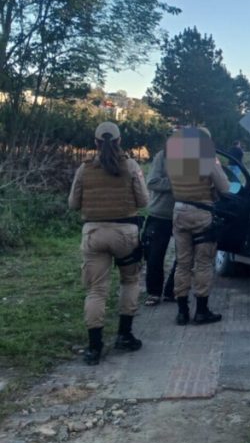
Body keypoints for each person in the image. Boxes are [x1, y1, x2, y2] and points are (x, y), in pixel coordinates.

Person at [68, 122, 149, 365]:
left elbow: (73, 203)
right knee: (130, 281)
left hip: (94, 233)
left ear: (95, 142)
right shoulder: (131, 166)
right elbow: (143, 201)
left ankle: (94, 347)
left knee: (96, 290)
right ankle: (125, 335)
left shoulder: (84, 169)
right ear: (119, 141)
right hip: (125, 233)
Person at [167, 126, 230, 326]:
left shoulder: (175, 160)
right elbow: (225, 187)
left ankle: (182, 311)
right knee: (203, 263)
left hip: (179, 212)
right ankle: (201, 311)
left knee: (182, 263)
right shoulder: (208, 160)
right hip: (202, 213)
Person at [142, 146, 176, 306]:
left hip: (182, 214)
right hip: (160, 214)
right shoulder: (162, 156)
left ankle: (172, 290)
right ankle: (154, 292)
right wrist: (177, 183)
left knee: (184, 257)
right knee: (155, 256)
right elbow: (152, 182)